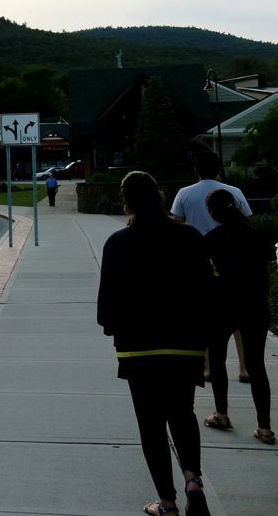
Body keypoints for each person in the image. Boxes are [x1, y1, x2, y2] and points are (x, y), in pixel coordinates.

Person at [98, 171, 212, 516]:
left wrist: (114, 327)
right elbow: (207, 292)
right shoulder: (190, 237)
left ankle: (168, 503)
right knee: (182, 414)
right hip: (184, 346)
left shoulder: (117, 243)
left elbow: (106, 308)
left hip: (139, 349)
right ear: (161, 197)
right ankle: (193, 479)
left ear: (127, 201)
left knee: (151, 425)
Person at [171, 150, 253, 383]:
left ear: (195, 170)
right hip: (232, 260)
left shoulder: (184, 193)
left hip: (197, 260)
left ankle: (207, 367)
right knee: (237, 318)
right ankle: (244, 367)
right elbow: (247, 220)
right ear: (219, 169)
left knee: (204, 318)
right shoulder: (234, 192)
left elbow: (177, 223)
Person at [201, 188, 274, 445]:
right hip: (255, 304)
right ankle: (264, 427)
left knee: (218, 360)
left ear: (212, 213)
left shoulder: (211, 239)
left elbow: (205, 277)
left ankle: (222, 413)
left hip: (222, 304)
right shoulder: (260, 237)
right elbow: (266, 269)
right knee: (256, 366)